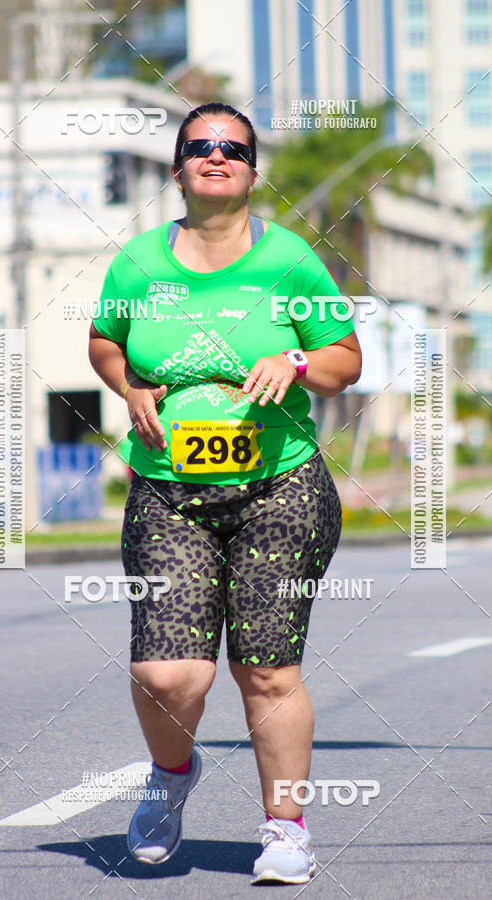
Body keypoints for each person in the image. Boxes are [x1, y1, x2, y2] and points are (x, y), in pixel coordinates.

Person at [88, 102, 362, 885]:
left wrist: (300, 365)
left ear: (251, 169)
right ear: (177, 169)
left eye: (232, 148)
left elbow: (346, 355)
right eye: (199, 147)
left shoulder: (290, 263)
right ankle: (170, 780)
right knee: (168, 675)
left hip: (280, 486)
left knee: (267, 669)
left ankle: (285, 830)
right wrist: (128, 381)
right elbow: (105, 337)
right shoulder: (138, 263)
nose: (216, 156)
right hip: (169, 488)